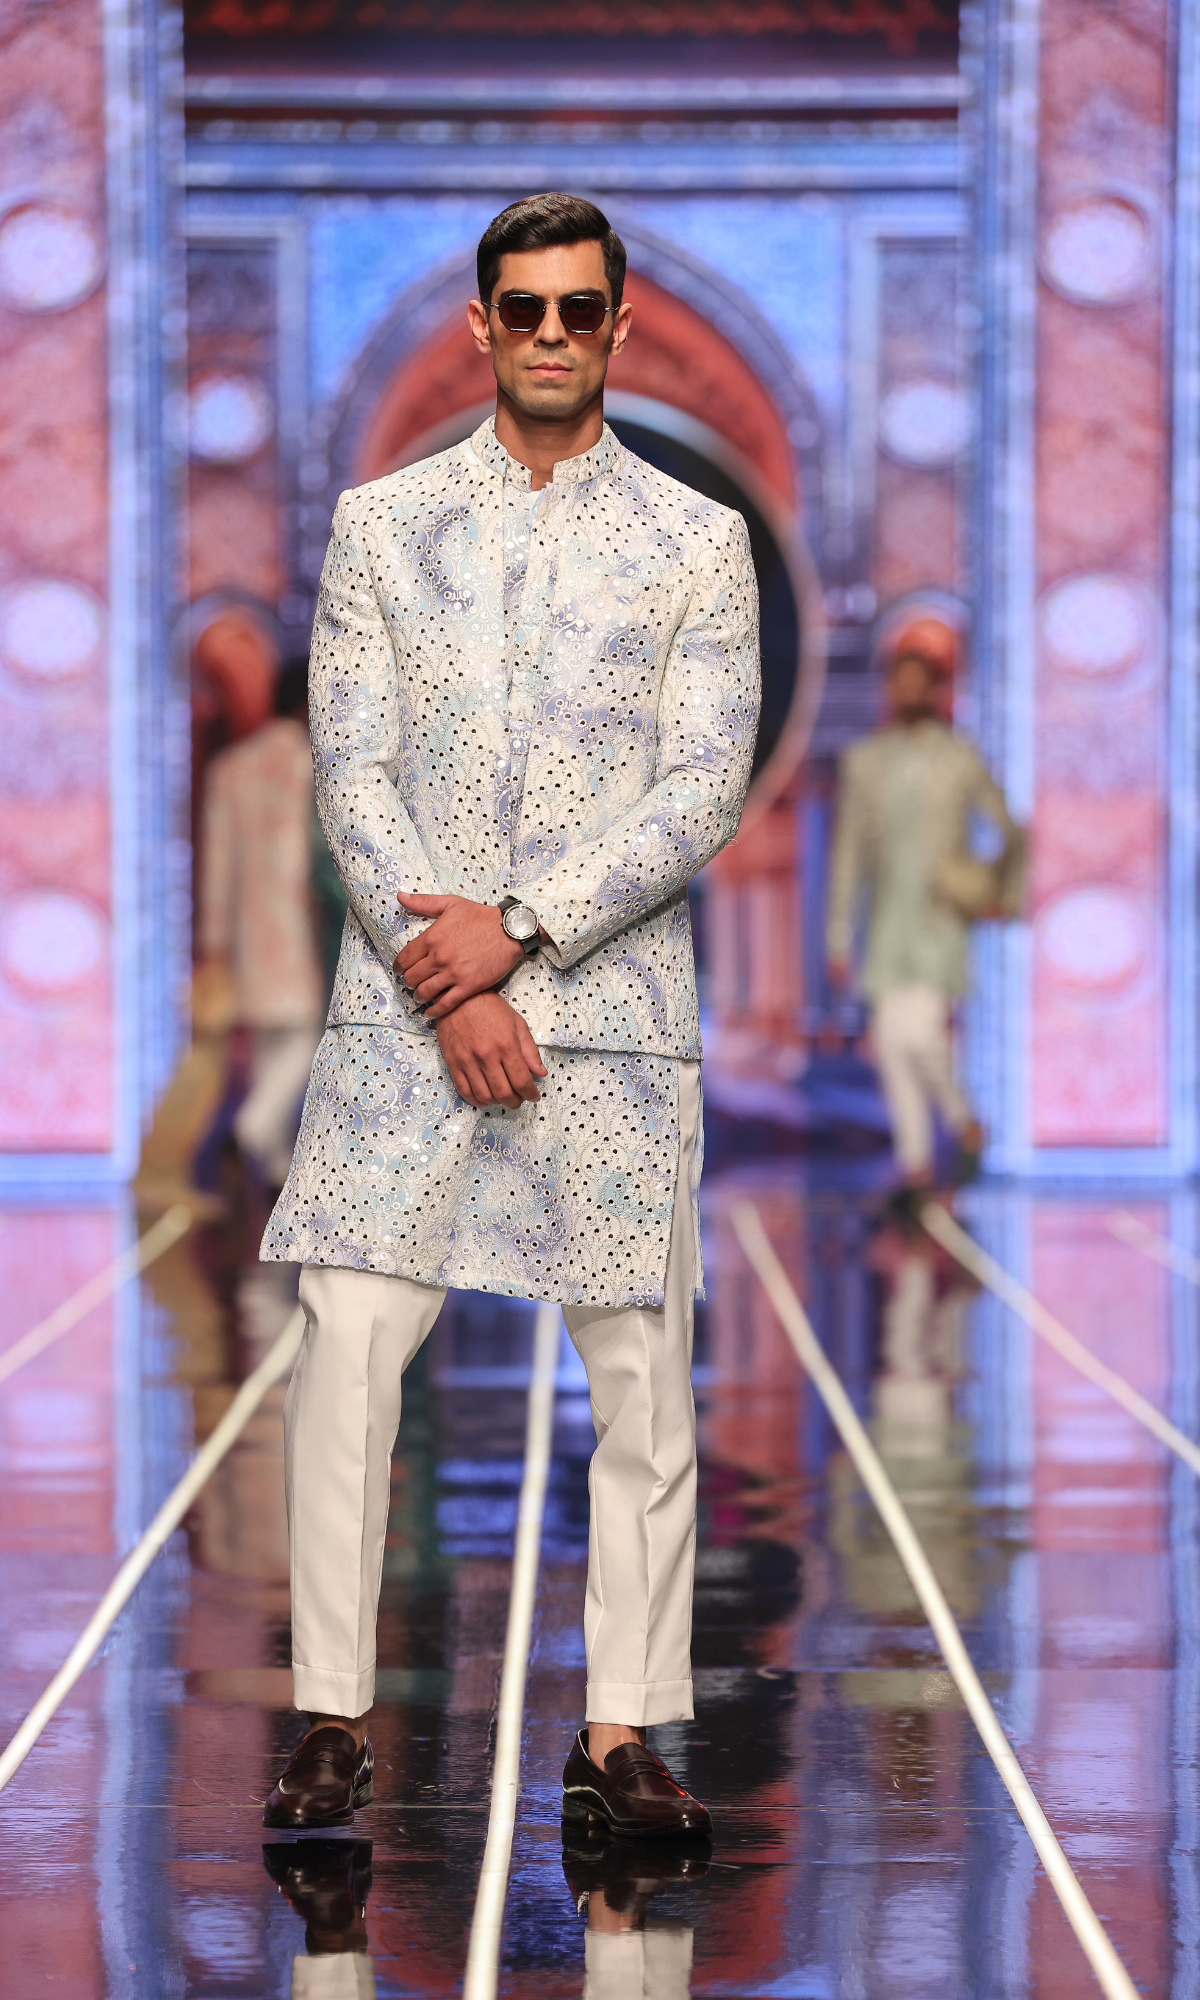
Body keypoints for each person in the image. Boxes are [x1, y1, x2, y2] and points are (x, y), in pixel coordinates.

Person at [258, 193, 760, 1838]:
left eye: (578, 309)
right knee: (347, 1359)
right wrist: (448, 974)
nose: (551, 334)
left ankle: (619, 1735)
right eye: (524, 309)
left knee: (643, 1387)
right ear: (480, 325)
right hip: (408, 1020)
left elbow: (701, 786)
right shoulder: (384, 524)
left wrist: (521, 934)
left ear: (620, 322)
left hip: (605, 1018)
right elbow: (352, 768)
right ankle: (330, 1718)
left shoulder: (696, 542)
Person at [826, 619, 1022, 1207]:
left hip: (938, 920)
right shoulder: (866, 761)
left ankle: (962, 1121)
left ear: (937, 689)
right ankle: (915, 1166)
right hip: (889, 921)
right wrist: (838, 934)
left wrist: (993, 892)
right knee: (891, 1044)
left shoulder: (959, 759)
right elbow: (849, 855)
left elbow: (1009, 828)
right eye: (900, 681)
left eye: (920, 682)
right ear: (889, 688)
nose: (909, 692)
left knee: (924, 1038)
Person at [198, 657, 326, 1195]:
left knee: (275, 1040)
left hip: (248, 930)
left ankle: (273, 1164)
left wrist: (213, 943)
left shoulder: (232, 767)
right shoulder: (315, 764)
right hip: (302, 921)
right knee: (304, 1033)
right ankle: (257, 1125)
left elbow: (217, 865)